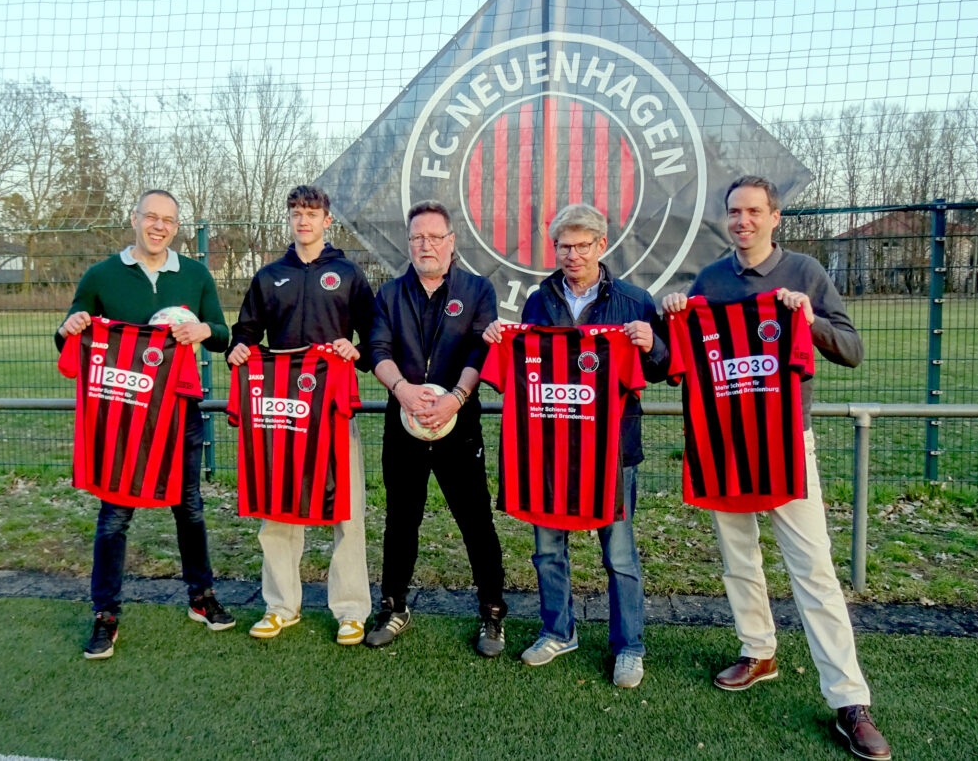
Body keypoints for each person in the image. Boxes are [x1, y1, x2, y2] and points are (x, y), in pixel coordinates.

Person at [661, 176, 890, 760]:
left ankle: (849, 701)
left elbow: (852, 349)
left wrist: (807, 319)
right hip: (722, 442)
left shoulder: (806, 272)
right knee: (738, 558)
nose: (743, 221)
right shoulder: (710, 280)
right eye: (735, 212)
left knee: (812, 568)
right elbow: (676, 361)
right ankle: (757, 650)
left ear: (775, 217)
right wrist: (672, 317)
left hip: (787, 443)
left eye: (753, 211)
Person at [483, 203, 667, 689]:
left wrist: (652, 344)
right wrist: (498, 338)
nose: (572, 254)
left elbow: (661, 369)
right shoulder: (538, 302)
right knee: (547, 550)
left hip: (613, 451)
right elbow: (518, 367)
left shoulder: (634, 300)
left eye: (582, 245)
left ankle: (629, 647)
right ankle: (557, 630)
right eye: (564, 245)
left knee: (620, 556)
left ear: (601, 246)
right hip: (548, 449)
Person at [55, 189, 234, 660]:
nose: (159, 226)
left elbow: (222, 334)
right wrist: (67, 329)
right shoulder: (101, 276)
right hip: (123, 419)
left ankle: (201, 596)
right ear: (134, 219)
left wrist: (202, 331)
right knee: (115, 515)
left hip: (180, 413)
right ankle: (105, 613)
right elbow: (68, 337)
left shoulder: (194, 275)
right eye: (150, 217)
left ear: (177, 226)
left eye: (168, 220)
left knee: (189, 506)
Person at [226, 185, 374, 645]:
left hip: (333, 409)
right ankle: (280, 605)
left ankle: (351, 609)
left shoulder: (348, 273)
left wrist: (359, 348)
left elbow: (375, 334)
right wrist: (238, 350)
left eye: (312, 212)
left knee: (345, 512)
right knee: (278, 509)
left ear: (327, 220)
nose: (303, 220)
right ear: (289, 220)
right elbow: (244, 333)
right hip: (281, 411)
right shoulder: (269, 276)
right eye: (296, 212)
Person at [366, 200, 507, 656]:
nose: (425, 245)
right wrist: (404, 390)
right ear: (408, 243)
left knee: (476, 521)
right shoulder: (389, 294)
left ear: (452, 242)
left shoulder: (478, 289)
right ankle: (393, 606)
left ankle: (492, 613)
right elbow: (378, 350)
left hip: (458, 424)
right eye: (417, 238)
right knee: (401, 520)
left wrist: (455, 400)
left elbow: (479, 354)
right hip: (402, 424)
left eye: (434, 237)